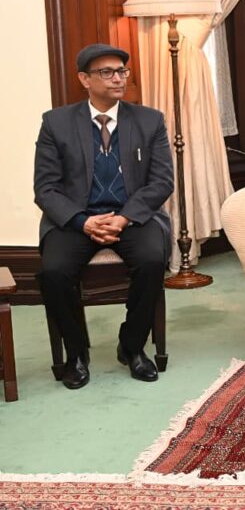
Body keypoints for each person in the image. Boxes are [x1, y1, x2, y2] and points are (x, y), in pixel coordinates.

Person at [34, 43, 174, 389]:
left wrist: (124, 218)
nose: (118, 78)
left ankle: (132, 346)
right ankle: (77, 353)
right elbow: (46, 188)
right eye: (107, 72)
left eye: (122, 71)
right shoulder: (56, 123)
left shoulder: (149, 120)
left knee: (152, 260)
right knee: (53, 272)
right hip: (76, 220)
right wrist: (82, 221)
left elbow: (162, 182)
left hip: (131, 217)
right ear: (85, 79)